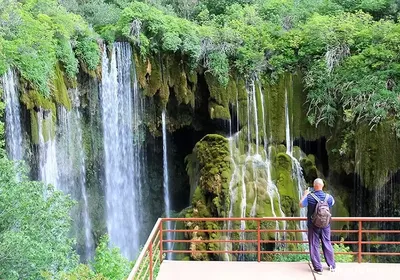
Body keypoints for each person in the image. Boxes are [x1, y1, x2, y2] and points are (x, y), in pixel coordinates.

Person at [299, 178, 336, 275]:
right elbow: (332, 204)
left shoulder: (310, 197)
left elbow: (301, 205)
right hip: (325, 225)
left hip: (313, 225)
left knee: (314, 245)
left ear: (314, 186)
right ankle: (332, 265)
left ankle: (318, 268)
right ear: (322, 186)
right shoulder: (329, 197)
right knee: (327, 243)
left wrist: (305, 194)